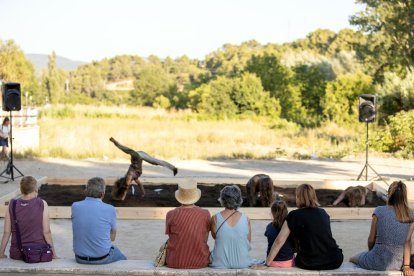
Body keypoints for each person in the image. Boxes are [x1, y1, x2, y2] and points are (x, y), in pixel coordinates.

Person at [266, 184, 343, 270]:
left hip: (309, 262)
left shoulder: (294, 215)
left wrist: (267, 264)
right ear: (313, 196)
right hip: (334, 260)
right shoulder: (323, 213)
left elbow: (279, 241)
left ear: (298, 197)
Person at [350, 181, 413, 271]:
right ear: (404, 196)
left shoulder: (379, 210)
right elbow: (407, 243)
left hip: (377, 262)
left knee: (352, 258)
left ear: (389, 195)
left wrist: (371, 253)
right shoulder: (410, 214)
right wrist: (406, 266)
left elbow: (371, 239)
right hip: (398, 264)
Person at [72, 177, 127, 264]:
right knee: (122, 258)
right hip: (101, 258)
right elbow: (112, 238)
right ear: (102, 194)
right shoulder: (110, 209)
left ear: (86, 192)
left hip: (79, 258)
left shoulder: (75, 206)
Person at [0, 176, 57, 260]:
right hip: (38, 252)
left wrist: (1, 253)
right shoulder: (42, 203)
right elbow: (46, 232)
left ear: (21, 189)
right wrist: (53, 254)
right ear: (35, 189)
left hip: (17, 253)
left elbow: (6, 232)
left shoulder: (12, 204)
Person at [109, 137, 178, 200]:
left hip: (137, 160)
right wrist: (143, 193)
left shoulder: (130, 177)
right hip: (139, 159)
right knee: (155, 162)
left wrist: (122, 198)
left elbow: (126, 187)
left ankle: (173, 168)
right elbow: (139, 184)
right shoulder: (133, 177)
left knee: (154, 161)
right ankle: (173, 168)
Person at [165, 180, 210, 268]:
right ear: (195, 195)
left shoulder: (171, 214)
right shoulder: (205, 213)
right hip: (200, 261)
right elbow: (204, 239)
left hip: (175, 261)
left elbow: (171, 237)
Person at [210, 185, 255, 269]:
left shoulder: (215, 218)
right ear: (239, 199)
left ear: (222, 199)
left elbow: (216, 237)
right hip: (243, 263)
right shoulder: (246, 218)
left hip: (220, 263)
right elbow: (247, 241)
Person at [265, 200, 295, 268]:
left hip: (272, 262)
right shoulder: (290, 227)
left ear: (272, 213)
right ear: (286, 211)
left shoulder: (269, 227)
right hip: (288, 262)